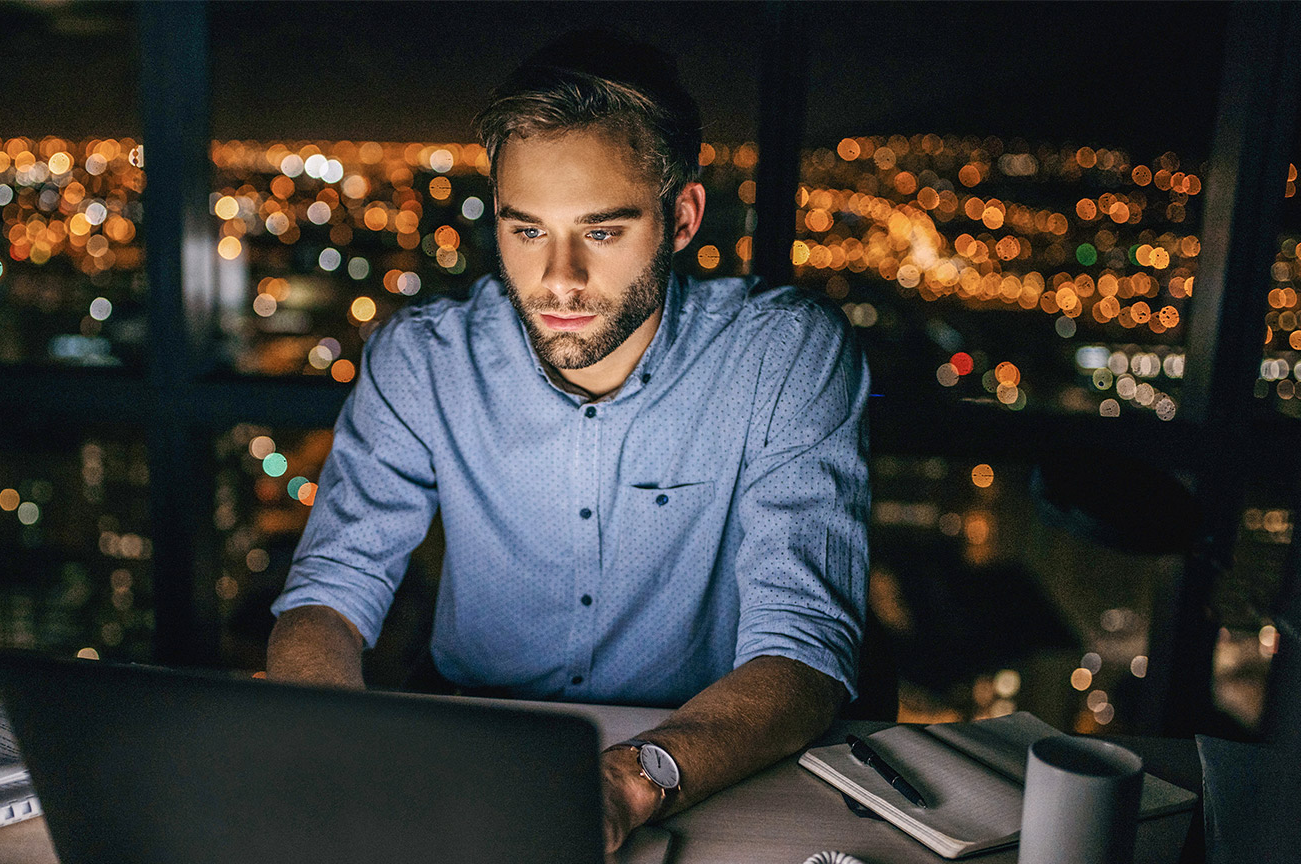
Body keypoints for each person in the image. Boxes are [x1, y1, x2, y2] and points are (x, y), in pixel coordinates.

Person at [266, 30, 870, 853]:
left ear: (682, 216)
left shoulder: (783, 357)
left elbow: (804, 650)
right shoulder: (423, 359)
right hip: (465, 757)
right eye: (525, 231)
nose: (558, 278)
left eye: (603, 232)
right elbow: (327, 593)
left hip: (701, 768)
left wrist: (629, 779)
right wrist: (334, 754)